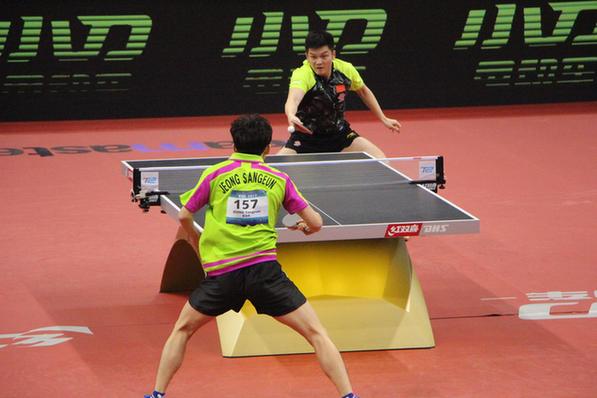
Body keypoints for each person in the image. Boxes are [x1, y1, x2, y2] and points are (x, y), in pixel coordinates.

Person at [144, 114, 359, 398]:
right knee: (317, 334)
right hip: (266, 274)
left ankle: (158, 394)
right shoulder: (279, 179)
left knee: (182, 330)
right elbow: (316, 223)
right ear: (268, 148)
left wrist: (196, 239)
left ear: (233, 143)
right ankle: (348, 395)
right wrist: (306, 228)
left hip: (222, 275)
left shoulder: (215, 174)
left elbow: (184, 214)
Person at [278, 30, 401, 158]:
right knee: (276, 170)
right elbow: (293, 98)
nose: (318, 62)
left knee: (381, 160)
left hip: (340, 136)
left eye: (324, 56)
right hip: (306, 140)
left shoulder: (345, 69)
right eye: (313, 57)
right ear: (307, 56)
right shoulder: (302, 74)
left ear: (333, 54)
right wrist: (291, 114)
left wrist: (383, 118)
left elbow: (363, 91)